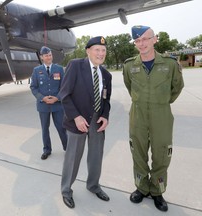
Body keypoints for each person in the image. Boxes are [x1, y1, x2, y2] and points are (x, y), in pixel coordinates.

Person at [122, 25, 184, 212]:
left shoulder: (170, 64)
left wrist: (161, 103)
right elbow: (129, 86)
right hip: (137, 114)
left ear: (155, 39)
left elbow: (177, 88)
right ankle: (141, 188)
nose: (141, 43)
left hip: (162, 115)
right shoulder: (129, 65)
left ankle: (157, 191)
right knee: (138, 153)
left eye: (145, 39)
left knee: (162, 154)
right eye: (138, 40)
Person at [59, 36, 112, 209]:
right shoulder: (75, 66)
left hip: (97, 121)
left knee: (96, 155)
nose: (100, 53)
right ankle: (66, 190)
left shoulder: (106, 74)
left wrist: (105, 115)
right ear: (88, 51)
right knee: (73, 157)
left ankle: (93, 185)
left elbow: (106, 100)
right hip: (78, 120)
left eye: (103, 50)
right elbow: (64, 95)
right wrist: (76, 117)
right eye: (97, 49)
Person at [30, 46, 67, 160]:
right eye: (46, 55)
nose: (49, 57)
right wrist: (42, 98)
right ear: (42, 57)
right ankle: (47, 150)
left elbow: (64, 87)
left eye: (50, 55)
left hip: (57, 105)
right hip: (43, 106)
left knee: (61, 128)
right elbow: (33, 87)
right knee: (45, 129)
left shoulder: (59, 69)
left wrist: (57, 98)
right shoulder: (37, 71)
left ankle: (67, 148)